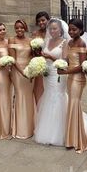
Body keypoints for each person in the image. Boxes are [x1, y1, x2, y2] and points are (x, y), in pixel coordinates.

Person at [34, 18, 69, 146]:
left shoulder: (65, 43)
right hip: (47, 74)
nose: (53, 31)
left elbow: (64, 60)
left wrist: (50, 57)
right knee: (48, 96)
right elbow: (42, 56)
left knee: (57, 97)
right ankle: (46, 129)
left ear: (60, 30)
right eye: (51, 29)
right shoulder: (46, 41)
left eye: (55, 28)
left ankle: (58, 132)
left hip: (58, 74)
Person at [58, 18, 87, 153]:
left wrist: (66, 71)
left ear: (81, 30)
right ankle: (72, 137)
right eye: (70, 29)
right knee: (72, 104)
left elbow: (82, 66)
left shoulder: (82, 44)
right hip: (70, 78)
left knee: (74, 104)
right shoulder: (69, 42)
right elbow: (66, 58)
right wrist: (60, 64)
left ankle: (78, 138)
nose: (71, 32)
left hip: (78, 78)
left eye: (74, 29)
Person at [8, 19, 35, 139]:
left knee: (29, 97)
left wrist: (32, 70)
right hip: (18, 71)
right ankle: (21, 129)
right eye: (17, 28)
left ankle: (31, 126)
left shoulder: (30, 41)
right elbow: (13, 59)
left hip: (30, 71)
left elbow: (33, 56)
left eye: (21, 27)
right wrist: (23, 72)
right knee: (20, 96)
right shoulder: (11, 40)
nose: (19, 30)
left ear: (25, 28)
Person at [31, 11, 50, 104]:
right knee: (39, 88)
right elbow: (31, 51)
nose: (41, 23)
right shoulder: (35, 34)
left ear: (48, 20)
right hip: (39, 64)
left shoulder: (53, 33)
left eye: (43, 20)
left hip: (50, 63)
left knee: (49, 88)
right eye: (39, 21)